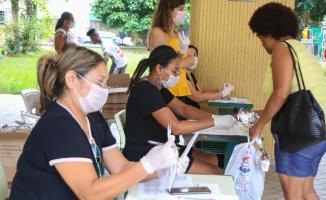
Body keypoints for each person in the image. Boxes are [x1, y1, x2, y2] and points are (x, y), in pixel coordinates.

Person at [10, 46, 180, 199]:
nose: (104, 89)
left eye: (106, 83)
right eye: (99, 82)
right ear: (72, 79)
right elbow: (89, 193)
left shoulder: (93, 118)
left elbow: (120, 168)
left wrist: (163, 168)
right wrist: (148, 164)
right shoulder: (59, 126)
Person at [248, 3, 326, 200]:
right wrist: (260, 113)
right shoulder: (300, 50)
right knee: (305, 191)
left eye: (260, 35)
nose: (261, 42)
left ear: (269, 31)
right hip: (323, 128)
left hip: (302, 133)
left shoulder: (282, 49)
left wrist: (259, 125)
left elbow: (280, 94)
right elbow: (291, 100)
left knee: (293, 193)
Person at [124, 45, 237, 175]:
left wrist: (213, 117)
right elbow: (176, 127)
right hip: (147, 152)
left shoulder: (158, 88)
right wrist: (216, 121)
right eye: (174, 71)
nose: (177, 76)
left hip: (162, 147)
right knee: (215, 172)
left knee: (213, 159)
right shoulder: (146, 90)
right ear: (159, 68)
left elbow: (184, 109)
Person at [147, 0, 196, 100]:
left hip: (180, 89)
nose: (184, 13)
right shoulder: (157, 32)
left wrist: (186, 60)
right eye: (181, 9)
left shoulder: (177, 34)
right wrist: (188, 58)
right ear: (169, 11)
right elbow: (169, 64)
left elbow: (179, 63)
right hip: (166, 90)